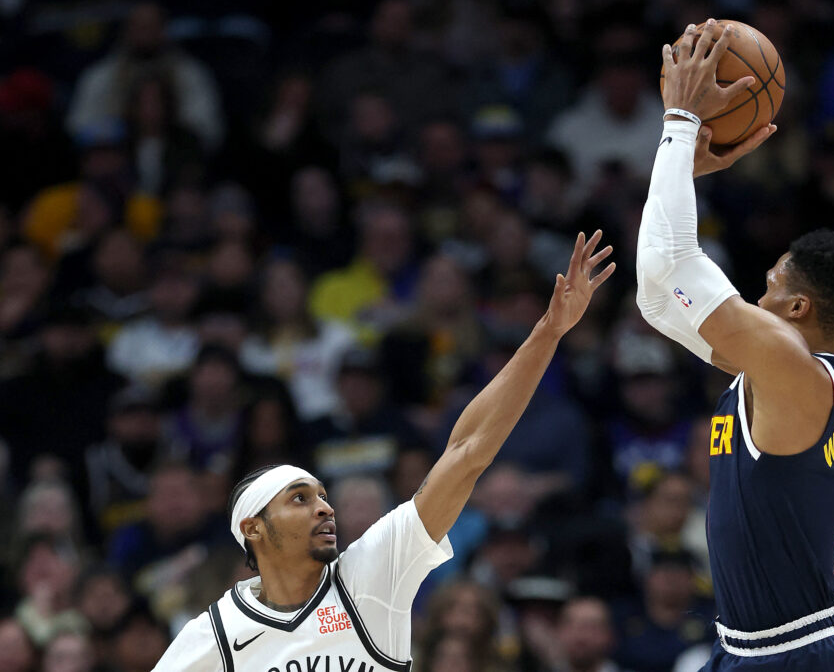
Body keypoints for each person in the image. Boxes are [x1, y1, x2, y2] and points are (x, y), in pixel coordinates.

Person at [151, 231, 615, 669]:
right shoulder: (212, 632)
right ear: (254, 529)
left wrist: (547, 333)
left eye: (321, 496)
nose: (323, 509)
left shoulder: (371, 572)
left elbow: (468, 450)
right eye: (299, 499)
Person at [636, 21, 834, 670]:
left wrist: (682, 120)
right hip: (748, 648)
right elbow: (656, 298)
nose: (757, 296)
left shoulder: (791, 369)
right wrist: (679, 172)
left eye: (771, 286)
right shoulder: (783, 373)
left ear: (797, 308)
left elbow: (673, 263)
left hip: (795, 653)